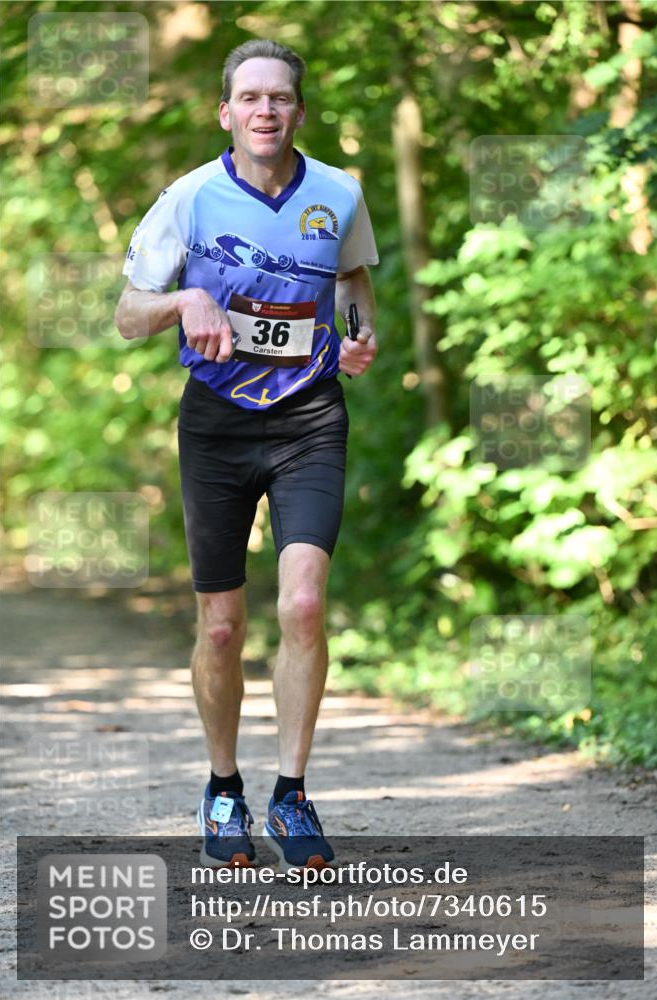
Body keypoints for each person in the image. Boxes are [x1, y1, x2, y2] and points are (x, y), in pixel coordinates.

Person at [115, 38, 378, 872]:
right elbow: (127, 314)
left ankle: (291, 794)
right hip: (217, 423)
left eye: (280, 98)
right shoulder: (187, 199)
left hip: (310, 419)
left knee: (301, 606)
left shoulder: (339, 192)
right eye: (250, 98)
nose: (266, 110)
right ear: (225, 112)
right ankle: (222, 787)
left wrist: (359, 336)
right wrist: (185, 297)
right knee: (222, 627)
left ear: (299, 111)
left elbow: (353, 289)